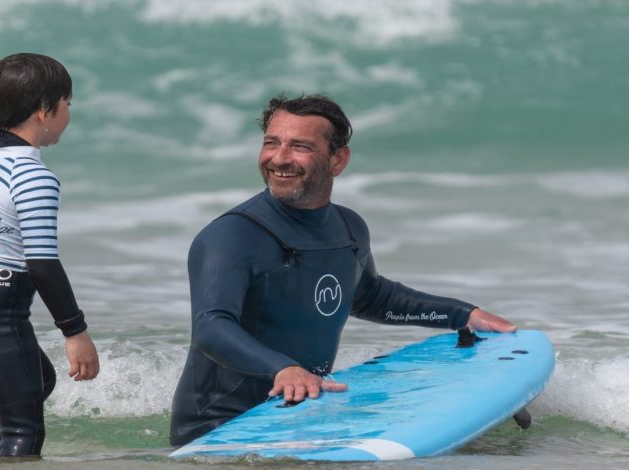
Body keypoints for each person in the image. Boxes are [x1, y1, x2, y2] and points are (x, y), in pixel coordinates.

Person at [169, 93, 516, 447]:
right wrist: (283, 369)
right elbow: (211, 327)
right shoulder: (231, 236)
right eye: (271, 143)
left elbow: (370, 297)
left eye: (299, 146)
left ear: (338, 160)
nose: (279, 158)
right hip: (220, 431)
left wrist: (461, 314)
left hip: (298, 414)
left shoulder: (348, 229)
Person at [0, 53, 99, 457]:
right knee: (22, 430)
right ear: (45, 111)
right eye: (68, 105)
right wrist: (75, 332)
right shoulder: (33, 177)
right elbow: (42, 264)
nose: (69, 114)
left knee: (35, 382)